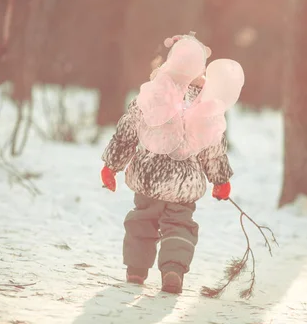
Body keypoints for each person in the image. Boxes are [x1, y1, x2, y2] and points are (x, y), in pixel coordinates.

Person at [100, 33, 234, 294]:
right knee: (180, 225)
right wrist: (221, 180)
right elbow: (212, 148)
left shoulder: (152, 94)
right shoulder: (206, 103)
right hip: (183, 185)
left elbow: (127, 133)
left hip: (149, 177)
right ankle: (173, 269)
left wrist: (111, 166)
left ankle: (137, 269)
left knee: (142, 220)